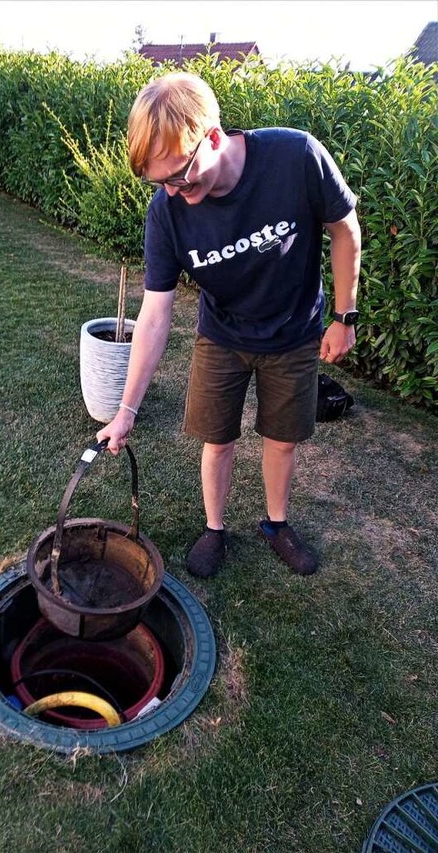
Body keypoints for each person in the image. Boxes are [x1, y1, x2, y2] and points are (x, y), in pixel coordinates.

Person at [97, 71, 361, 579]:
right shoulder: (167, 212)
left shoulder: (296, 158)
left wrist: (344, 315)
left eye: (178, 176)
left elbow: (345, 228)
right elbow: (154, 314)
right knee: (217, 439)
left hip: (293, 331)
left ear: (212, 138)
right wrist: (127, 409)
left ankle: (276, 524)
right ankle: (214, 529)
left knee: (283, 439)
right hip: (222, 335)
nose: (172, 191)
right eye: (160, 182)